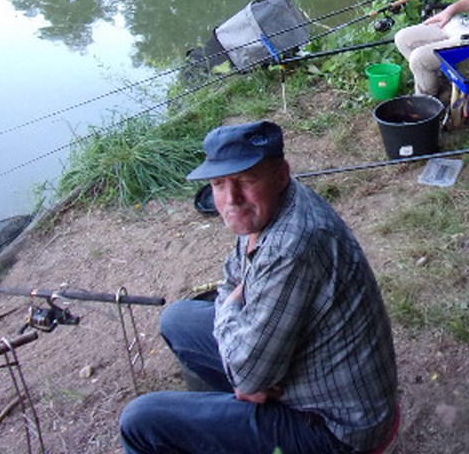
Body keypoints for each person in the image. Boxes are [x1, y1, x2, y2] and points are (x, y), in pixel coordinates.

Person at [119, 120, 398, 454]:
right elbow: (233, 275)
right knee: (177, 319)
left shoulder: (294, 246)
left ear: (281, 175)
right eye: (218, 184)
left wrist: (233, 325)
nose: (231, 199)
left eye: (245, 180)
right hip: (303, 371)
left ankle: (249, 414)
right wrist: (247, 364)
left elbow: (247, 371)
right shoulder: (273, 206)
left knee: (141, 422)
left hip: (337, 429)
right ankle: (246, 410)